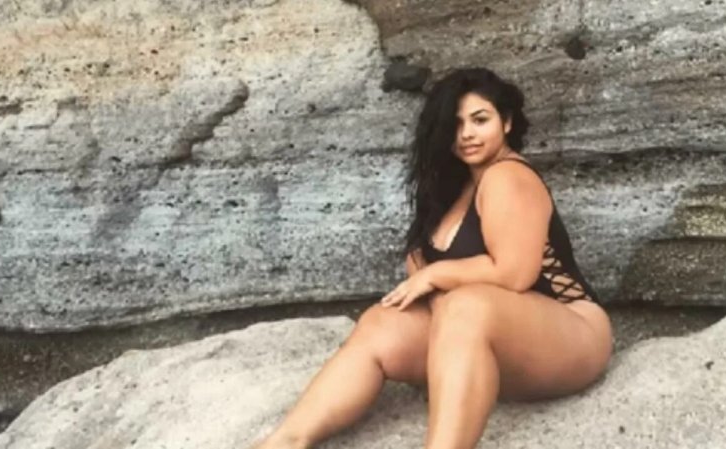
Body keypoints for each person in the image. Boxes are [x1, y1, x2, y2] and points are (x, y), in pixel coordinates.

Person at [252, 67, 613, 449]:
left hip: (571, 335)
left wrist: (436, 274)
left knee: (465, 306)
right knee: (381, 322)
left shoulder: (508, 176)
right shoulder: (453, 187)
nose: (467, 134)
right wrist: (430, 281)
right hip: (490, 342)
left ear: (506, 122)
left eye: (480, 120)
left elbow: (515, 273)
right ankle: (285, 442)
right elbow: (420, 266)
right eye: (455, 124)